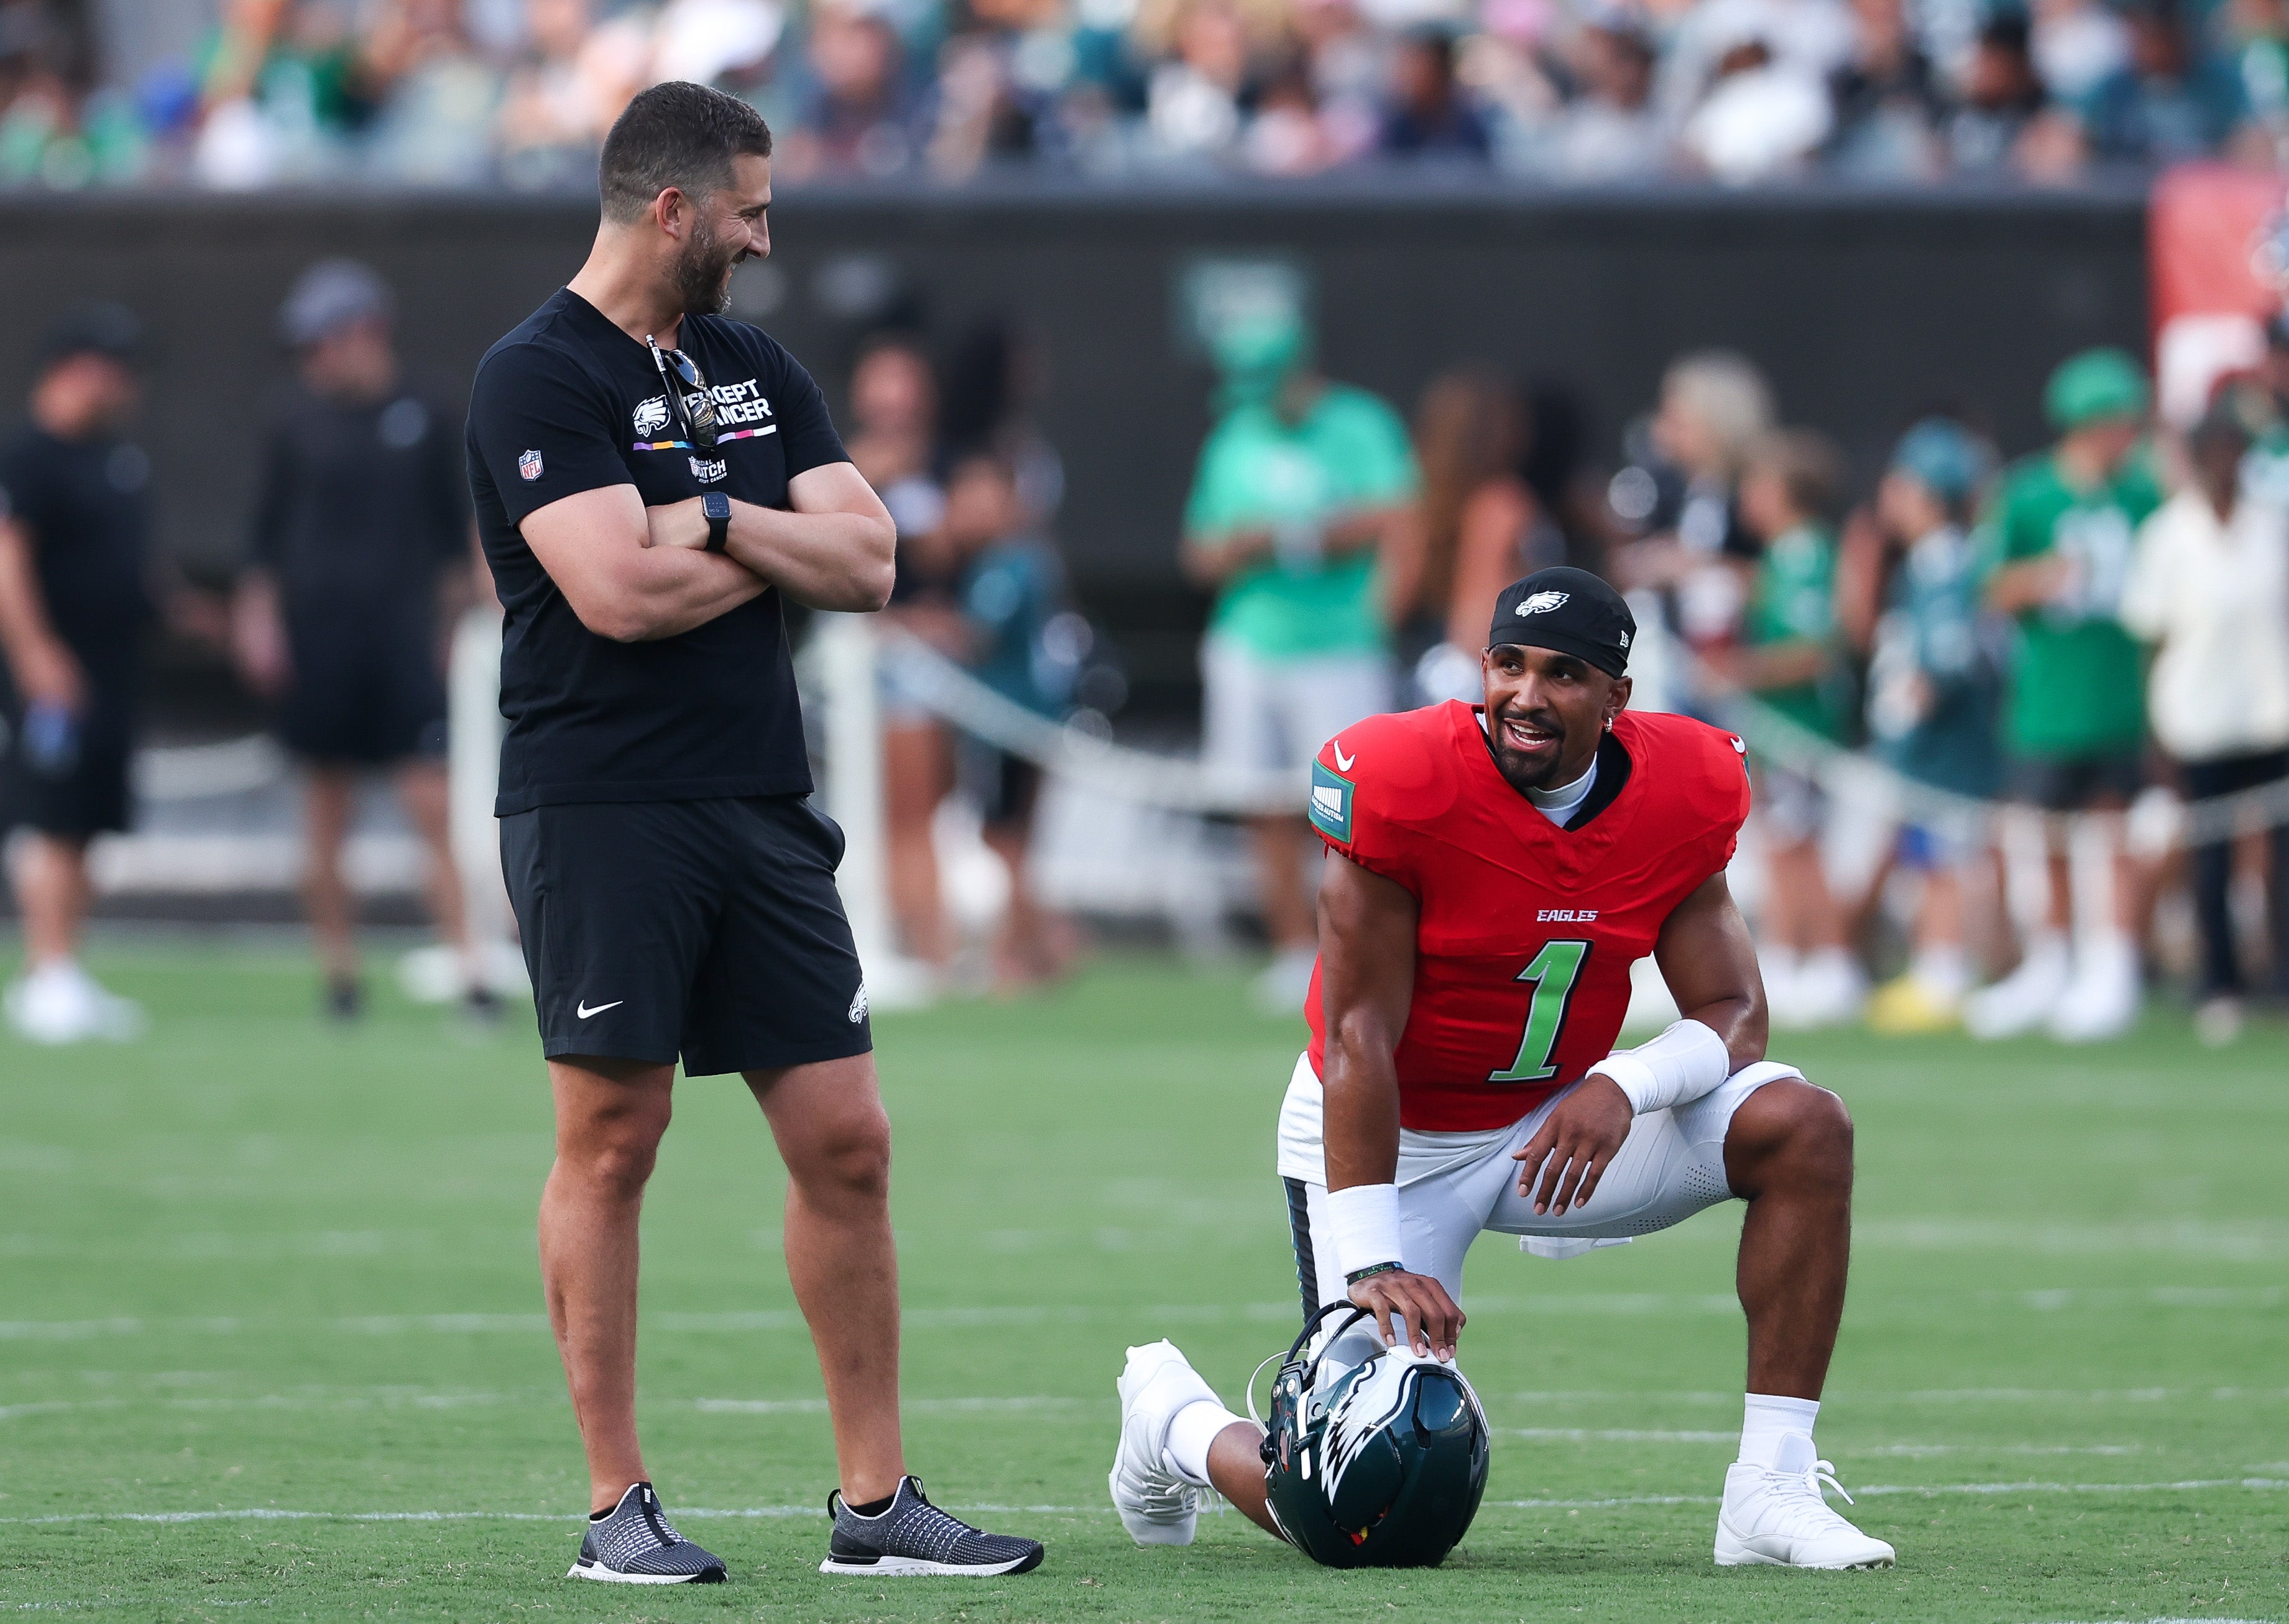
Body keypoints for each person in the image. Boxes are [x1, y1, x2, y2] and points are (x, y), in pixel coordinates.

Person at [464, 80, 1042, 1584]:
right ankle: (616, 1507)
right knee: (614, 1140)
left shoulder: (750, 363)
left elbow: (869, 557)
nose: (766, 239)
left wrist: (710, 518)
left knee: (851, 1142)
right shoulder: (533, 378)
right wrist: (749, 537)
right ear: (674, 211)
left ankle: (875, 1506)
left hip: (761, 804)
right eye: (750, 211)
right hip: (602, 811)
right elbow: (614, 595)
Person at [1107, 568, 1893, 1571]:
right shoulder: (1401, 779)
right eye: (1508, 665)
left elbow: (1735, 1012)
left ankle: (1770, 1487)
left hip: (1557, 1122)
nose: (1525, 694)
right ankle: (1171, 1419)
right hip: (1395, 1141)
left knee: (1805, 1123)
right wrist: (1373, 1260)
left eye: (1563, 674)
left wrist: (1624, 1084)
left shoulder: (1683, 785)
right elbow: (1356, 1034)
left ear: (1617, 698)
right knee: (1362, 1513)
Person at [232, 259, 485, 1022]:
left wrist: (466, 624)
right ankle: (339, 975)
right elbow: (263, 542)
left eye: (323, 341)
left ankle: (470, 967)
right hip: (319, 644)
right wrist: (258, 623)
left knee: (431, 805)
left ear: (366, 331)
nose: (314, 359)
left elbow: (463, 534)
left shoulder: (430, 411)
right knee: (325, 813)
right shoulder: (292, 422)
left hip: (404, 642)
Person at [1181, 308, 1416, 1015]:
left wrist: (1313, 544)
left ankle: (1361, 946)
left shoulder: (1362, 425)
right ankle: (1292, 950)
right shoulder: (1233, 437)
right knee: (1261, 800)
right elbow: (1201, 551)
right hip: (1251, 642)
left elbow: (1397, 518)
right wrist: (1244, 546)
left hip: (1341, 646)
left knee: (1356, 810)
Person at [1968, 348, 2160, 1043]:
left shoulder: (2146, 492)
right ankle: (2051, 961)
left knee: (2116, 831)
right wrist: (2041, 577)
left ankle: (2113, 962)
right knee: (2045, 836)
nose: (2126, 435)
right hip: (2048, 696)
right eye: (2115, 421)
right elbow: (1988, 586)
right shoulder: (2027, 492)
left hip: (2121, 693)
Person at [0, 306, 153, 1045]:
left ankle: (61, 968)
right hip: (54, 674)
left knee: (89, 819)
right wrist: (37, 654)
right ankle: (45, 965)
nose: (123, 384)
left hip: (111, 669)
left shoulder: (113, 459)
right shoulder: (28, 457)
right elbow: (8, 558)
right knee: (52, 817)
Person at [2120, 406, 2289, 1045]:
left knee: (2279, 856)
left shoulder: (2270, 528)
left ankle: (2279, 974)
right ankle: (2220, 981)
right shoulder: (2168, 535)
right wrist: (2155, 734)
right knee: (2210, 859)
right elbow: (2151, 638)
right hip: (2198, 719)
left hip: (2271, 714)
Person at [1856, 419, 2006, 1032]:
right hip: (1929, 749)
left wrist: (1911, 703)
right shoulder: (1924, 561)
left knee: (1948, 858)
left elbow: (1946, 657)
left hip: (1949, 748)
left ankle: (1946, 967)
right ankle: (1934, 962)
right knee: (1927, 856)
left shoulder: (1947, 562)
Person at [1727, 430, 1863, 1028]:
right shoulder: (1781, 557)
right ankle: (1789, 957)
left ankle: (1830, 960)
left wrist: (1738, 670)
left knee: (1799, 846)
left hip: (1800, 725)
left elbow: (1814, 649)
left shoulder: (1806, 553)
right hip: (1777, 727)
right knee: (1781, 844)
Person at [844, 334, 959, 971]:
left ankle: (927, 943)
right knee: (900, 813)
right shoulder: (834, 463)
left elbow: (943, 557)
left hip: (928, 656)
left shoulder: (939, 466)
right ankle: (924, 948)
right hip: (862, 657)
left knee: (927, 809)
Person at [945, 449, 1075, 990]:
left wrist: (904, 629)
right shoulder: (1014, 560)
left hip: (1014, 722)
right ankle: (1043, 945)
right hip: (1019, 720)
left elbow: (977, 636)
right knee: (1009, 839)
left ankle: (1023, 954)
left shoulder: (1011, 562)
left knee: (1006, 841)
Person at [1385, 367, 1564, 707]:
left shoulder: (1418, 503)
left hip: (1430, 670)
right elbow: (1479, 611)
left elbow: (1390, 605)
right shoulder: (1502, 503)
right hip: (1487, 673)